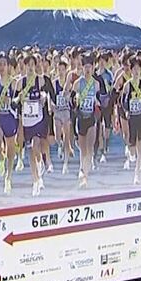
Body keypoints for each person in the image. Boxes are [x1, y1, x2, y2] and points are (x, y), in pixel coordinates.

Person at [16, 55, 51, 197]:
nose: (30, 67)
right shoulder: (20, 82)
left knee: (36, 144)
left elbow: (47, 94)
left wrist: (44, 97)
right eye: (28, 64)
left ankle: (40, 169)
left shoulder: (40, 80)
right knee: (31, 151)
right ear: (24, 66)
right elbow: (16, 102)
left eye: (32, 64)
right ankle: (35, 180)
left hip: (38, 119)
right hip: (26, 121)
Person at [120, 58, 141, 185]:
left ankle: (137, 174)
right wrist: (126, 110)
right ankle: (131, 153)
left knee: (140, 145)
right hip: (132, 117)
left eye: (138, 69)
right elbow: (123, 101)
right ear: (131, 70)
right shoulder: (127, 85)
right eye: (134, 69)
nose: (137, 71)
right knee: (132, 145)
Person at [71, 56, 100, 189]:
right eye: (85, 67)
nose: (88, 69)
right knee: (83, 150)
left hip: (91, 118)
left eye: (90, 67)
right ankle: (82, 169)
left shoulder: (96, 84)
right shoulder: (78, 83)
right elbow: (71, 101)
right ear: (82, 68)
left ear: (93, 68)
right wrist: (75, 100)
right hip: (81, 118)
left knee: (90, 148)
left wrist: (97, 103)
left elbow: (98, 99)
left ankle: (85, 177)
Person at [0, 55, 19, 195]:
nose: (2, 67)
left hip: (9, 117)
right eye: (0, 64)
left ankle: (8, 176)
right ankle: (1, 158)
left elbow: (19, 98)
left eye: (4, 64)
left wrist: (12, 100)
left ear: (8, 66)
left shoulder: (13, 82)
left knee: (10, 146)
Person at [51, 57, 74, 175]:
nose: (60, 72)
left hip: (66, 111)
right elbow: (51, 97)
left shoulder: (69, 83)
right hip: (57, 111)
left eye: (62, 69)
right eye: (59, 69)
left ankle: (65, 164)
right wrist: (51, 106)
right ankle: (59, 145)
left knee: (67, 136)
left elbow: (73, 97)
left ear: (66, 70)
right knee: (57, 135)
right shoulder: (54, 83)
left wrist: (70, 97)